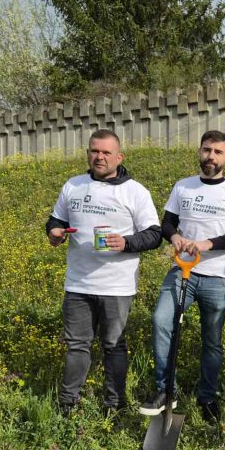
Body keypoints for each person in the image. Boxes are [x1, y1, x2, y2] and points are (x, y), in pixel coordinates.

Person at [46, 129, 161, 417]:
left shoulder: (135, 191)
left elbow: (154, 235)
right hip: (78, 283)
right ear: (88, 153)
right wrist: (54, 232)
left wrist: (126, 243)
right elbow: (56, 219)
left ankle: (115, 405)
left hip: (116, 286)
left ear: (119, 157)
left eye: (106, 152)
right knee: (76, 346)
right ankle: (68, 404)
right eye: (94, 151)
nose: (99, 157)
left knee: (113, 345)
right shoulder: (73, 185)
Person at [138, 130, 225, 423]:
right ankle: (166, 390)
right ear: (199, 152)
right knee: (161, 321)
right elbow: (167, 223)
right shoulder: (183, 186)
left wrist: (206, 244)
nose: (211, 156)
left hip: (216, 278)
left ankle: (208, 397)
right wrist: (175, 237)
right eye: (206, 150)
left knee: (212, 340)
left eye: (217, 152)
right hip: (182, 271)